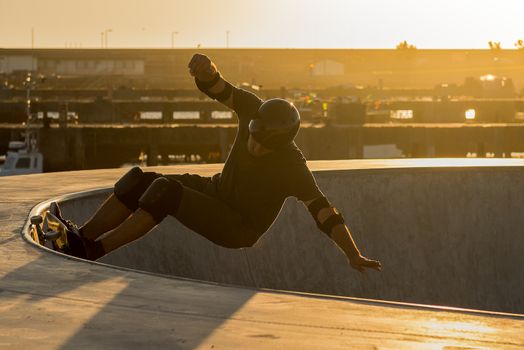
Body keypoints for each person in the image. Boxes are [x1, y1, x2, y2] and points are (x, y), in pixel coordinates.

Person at [57, 53, 381, 273]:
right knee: (139, 179)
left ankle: (94, 251)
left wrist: (353, 255)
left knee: (165, 193)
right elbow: (220, 88)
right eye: (251, 136)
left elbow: (324, 213)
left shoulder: (292, 166)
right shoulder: (252, 108)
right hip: (216, 191)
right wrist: (207, 71)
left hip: (237, 226)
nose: (252, 145)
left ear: (281, 145)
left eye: (262, 146)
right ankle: (81, 236)